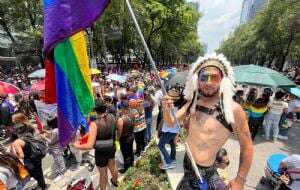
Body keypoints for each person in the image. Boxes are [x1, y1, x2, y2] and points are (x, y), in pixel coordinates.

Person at [162, 54, 253, 190]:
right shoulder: (193, 102)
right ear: (197, 80)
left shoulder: (232, 109)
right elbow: (170, 123)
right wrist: (165, 109)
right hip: (187, 166)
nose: (208, 82)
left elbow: (247, 147)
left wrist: (240, 180)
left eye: (214, 77)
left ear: (222, 80)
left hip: (206, 174)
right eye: (203, 77)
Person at [73, 100, 119, 190]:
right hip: (111, 146)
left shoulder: (94, 124)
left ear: (95, 110)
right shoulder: (112, 116)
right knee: (113, 167)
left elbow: (89, 145)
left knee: (103, 174)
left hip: (101, 152)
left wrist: (76, 146)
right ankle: (115, 181)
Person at [116, 100, 135, 173]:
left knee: (125, 154)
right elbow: (134, 124)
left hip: (124, 139)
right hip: (131, 135)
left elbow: (119, 131)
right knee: (130, 151)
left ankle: (127, 169)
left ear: (123, 108)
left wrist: (117, 139)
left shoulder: (121, 119)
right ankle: (132, 164)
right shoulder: (132, 114)